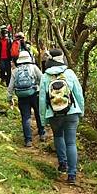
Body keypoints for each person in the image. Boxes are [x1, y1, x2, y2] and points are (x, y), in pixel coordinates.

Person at [39, 49, 84, 185]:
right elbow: (78, 93)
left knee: (58, 136)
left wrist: (43, 119)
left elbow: (41, 99)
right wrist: (81, 110)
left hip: (54, 113)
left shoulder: (45, 77)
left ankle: (62, 164)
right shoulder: (69, 73)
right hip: (72, 112)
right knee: (71, 142)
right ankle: (72, 175)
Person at [7, 50, 46, 147]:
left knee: (26, 117)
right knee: (38, 114)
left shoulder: (15, 71)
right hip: (34, 94)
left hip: (21, 96)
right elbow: (42, 79)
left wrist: (9, 98)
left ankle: (28, 140)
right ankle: (42, 134)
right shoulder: (33, 67)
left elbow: (10, 86)